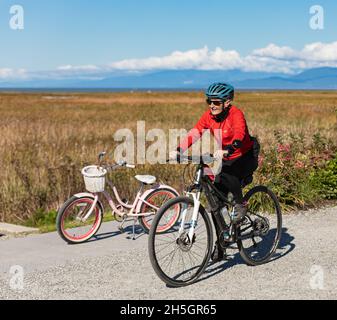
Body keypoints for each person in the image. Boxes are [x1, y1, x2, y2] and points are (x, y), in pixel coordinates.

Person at [170, 82, 259, 261]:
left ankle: (240, 204)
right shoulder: (209, 117)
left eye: (216, 102)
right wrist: (179, 149)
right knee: (216, 202)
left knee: (227, 174)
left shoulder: (236, 114)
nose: (212, 105)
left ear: (227, 102)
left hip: (245, 155)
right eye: (209, 101)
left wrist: (229, 148)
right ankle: (221, 245)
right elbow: (195, 133)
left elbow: (240, 134)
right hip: (226, 156)